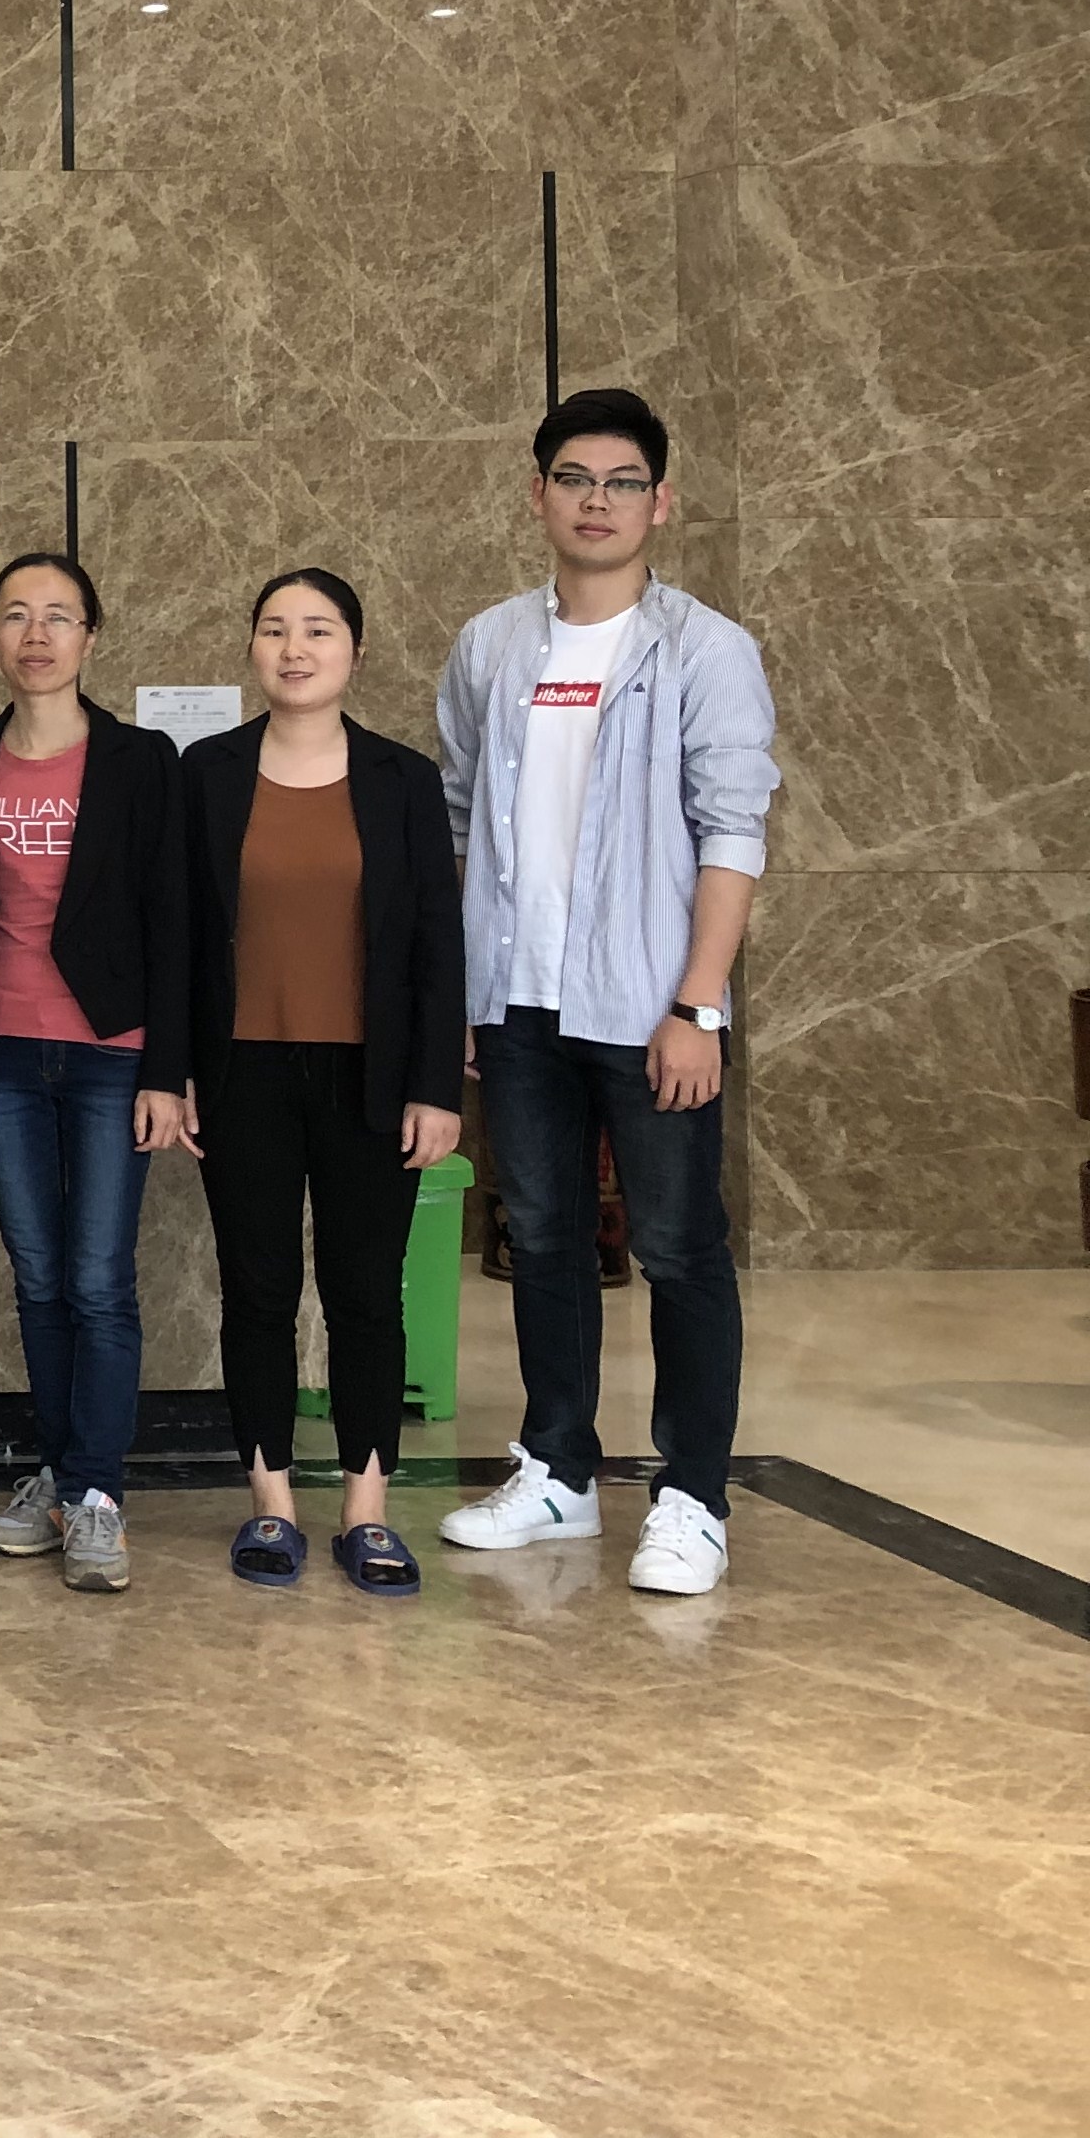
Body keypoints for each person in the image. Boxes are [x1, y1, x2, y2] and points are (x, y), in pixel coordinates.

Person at [436, 388, 778, 1597]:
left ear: (660, 503)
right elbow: (463, 821)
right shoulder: (490, 646)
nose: (597, 501)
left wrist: (699, 1006)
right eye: (574, 478)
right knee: (541, 1238)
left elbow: (733, 834)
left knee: (679, 1247)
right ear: (537, 495)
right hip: (519, 1007)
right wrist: (470, 992)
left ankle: (693, 1497)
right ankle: (558, 1472)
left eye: (623, 481)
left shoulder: (706, 650)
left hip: (649, 1009)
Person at [184, 569, 464, 1597]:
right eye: (274, 630)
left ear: (355, 650)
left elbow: (436, 941)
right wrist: (174, 1072)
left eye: (318, 631)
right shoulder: (207, 773)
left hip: (372, 1077)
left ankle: (367, 1510)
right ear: (252, 647)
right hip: (241, 1071)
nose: (294, 649)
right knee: (258, 1290)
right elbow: (180, 938)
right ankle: (270, 1502)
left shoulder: (402, 778)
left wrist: (438, 1088)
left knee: (365, 1295)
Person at [0, 550, 190, 1596]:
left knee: (98, 1281)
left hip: (109, 1051)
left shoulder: (140, 761)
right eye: (15, 615)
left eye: (58, 616)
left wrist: (168, 1071)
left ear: (91, 636)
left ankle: (97, 1494)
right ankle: (59, 1480)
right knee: (38, 1277)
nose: (36, 635)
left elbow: (175, 921)